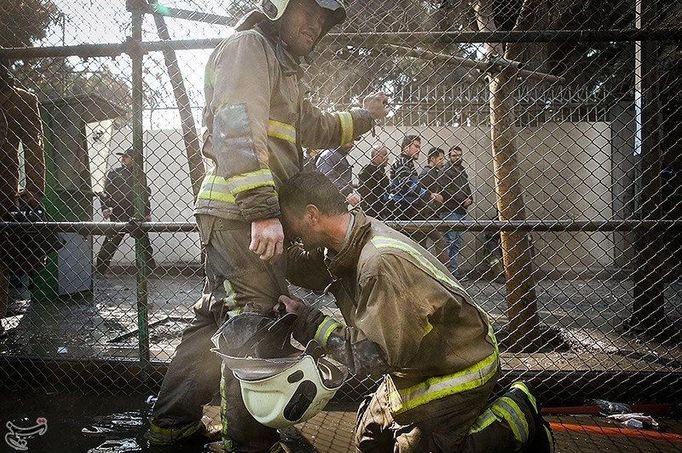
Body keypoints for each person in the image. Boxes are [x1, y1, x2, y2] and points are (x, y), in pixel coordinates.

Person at [147, 0, 389, 448]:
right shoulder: (249, 47)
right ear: (278, 7)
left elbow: (314, 127)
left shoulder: (283, 65)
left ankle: (171, 427)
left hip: (242, 218)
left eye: (324, 18)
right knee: (254, 326)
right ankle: (250, 442)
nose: (316, 24)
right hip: (242, 217)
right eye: (308, 11)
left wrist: (364, 117)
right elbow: (235, 124)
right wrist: (262, 211)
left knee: (213, 323)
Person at [278, 172, 554, 453]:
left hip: (459, 368)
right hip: (415, 366)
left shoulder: (380, 263)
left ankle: (518, 414)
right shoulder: (345, 242)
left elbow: (372, 357)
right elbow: (307, 268)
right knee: (369, 439)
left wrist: (308, 322)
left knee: (413, 450)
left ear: (312, 215)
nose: (288, 231)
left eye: (288, 222)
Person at [0, 59, 45, 339]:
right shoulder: (21, 100)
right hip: (6, 187)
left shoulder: (23, 101)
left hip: (4, 186)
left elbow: (34, 146)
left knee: (3, 253)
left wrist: (34, 189)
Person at [96, 148, 156, 274]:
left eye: (126, 156)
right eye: (122, 156)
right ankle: (100, 270)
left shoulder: (139, 174)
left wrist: (147, 212)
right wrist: (105, 207)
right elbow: (104, 192)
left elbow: (144, 194)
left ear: (134, 159)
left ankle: (150, 270)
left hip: (135, 212)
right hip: (119, 212)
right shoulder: (114, 173)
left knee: (143, 243)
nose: (123, 158)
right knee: (111, 243)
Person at [389, 134, 442, 221]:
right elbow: (406, 185)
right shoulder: (402, 161)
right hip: (400, 207)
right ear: (406, 147)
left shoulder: (408, 162)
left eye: (419, 147)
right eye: (416, 146)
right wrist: (429, 195)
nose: (419, 150)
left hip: (407, 207)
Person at [438, 145, 473, 277]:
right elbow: (447, 190)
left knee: (456, 242)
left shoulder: (462, 170)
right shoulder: (445, 171)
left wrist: (470, 198)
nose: (457, 158)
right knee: (450, 241)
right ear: (449, 157)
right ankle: (448, 272)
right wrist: (463, 200)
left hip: (460, 210)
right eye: (454, 155)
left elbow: (467, 187)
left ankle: (453, 271)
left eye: (459, 155)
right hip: (450, 210)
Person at [418, 147, 448, 265]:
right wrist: (432, 196)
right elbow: (418, 190)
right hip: (425, 215)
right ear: (432, 159)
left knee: (422, 244)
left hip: (427, 215)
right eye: (440, 159)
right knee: (439, 241)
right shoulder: (428, 173)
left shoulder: (433, 172)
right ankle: (444, 269)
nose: (443, 162)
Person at [316, 141, 361, 206]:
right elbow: (326, 179)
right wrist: (345, 194)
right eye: (350, 141)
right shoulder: (329, 155)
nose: (352, 145)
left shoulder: (337, 155)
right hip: (330, 203)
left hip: (338, 203)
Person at [358, 143, 390, 218]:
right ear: (377, 155)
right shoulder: (368, 171)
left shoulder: (380, 172)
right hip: (371, 212)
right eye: (385, 155)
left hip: (381, 210)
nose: (388, 158)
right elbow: (366, 192)